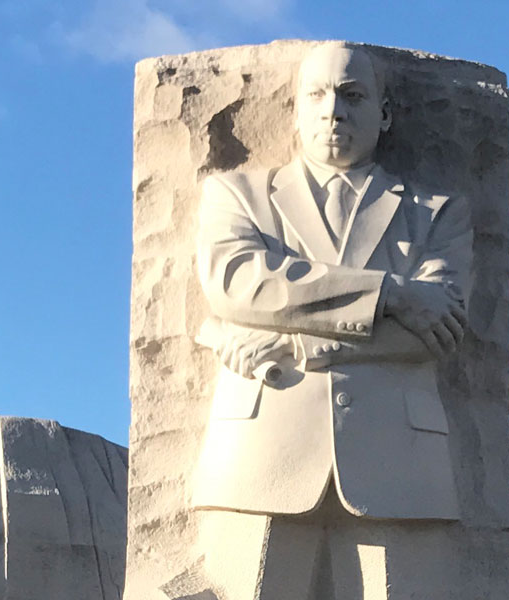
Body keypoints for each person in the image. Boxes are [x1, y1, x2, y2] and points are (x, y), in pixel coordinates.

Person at [190, 41, 473, 600]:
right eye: (315, 94)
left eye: (352, 94)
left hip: (399, 464)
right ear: (294, 111)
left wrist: (295, 338)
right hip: (261, 451)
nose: (333, 110)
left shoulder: (436, 212)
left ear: (384, 113)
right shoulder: (238, 196)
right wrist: (391, 292)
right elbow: (239, 284)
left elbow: (436, 329)